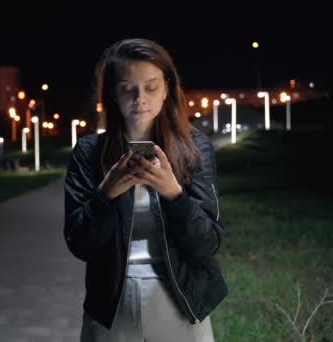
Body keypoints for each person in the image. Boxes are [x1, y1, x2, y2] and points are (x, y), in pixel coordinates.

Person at [64, 38, 228, 341]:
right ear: (113, 93)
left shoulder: (194, 148)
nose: (140, 98)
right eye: (128, 88)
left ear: (167, 89)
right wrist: (106, 194)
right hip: (112, 306)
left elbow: (207, 245)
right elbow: (79, 243)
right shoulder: (89, 152)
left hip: (181, 300)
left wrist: (174, 195)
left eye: (151, 87)